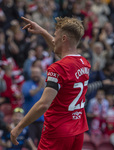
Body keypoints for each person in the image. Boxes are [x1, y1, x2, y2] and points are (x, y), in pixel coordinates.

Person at [10, 16, 91, 150]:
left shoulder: (58, 68)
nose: (54, 39)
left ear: (64, 38)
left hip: (58, 131)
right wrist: (42, 31)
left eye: (56, 35)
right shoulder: (84, 63)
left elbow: (43, 104)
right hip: (78, 129)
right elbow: (60, 49)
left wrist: (19, 127)